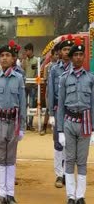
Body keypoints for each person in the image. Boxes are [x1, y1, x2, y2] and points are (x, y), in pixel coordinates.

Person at [0, 40, 26, 204]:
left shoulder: (18, 78)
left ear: (13, 59)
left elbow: (23, 103)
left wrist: (22, 126)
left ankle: (10, 193)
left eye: (7, 55)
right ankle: (1, 193)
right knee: (0, 157)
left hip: (14, 122)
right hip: (0, 122)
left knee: (11, 158)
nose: (4, 58)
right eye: (1, 55)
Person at [57, 37, 94, 204]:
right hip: (69, 122)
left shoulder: (90, 78)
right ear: (71, 58)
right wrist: (59, 131)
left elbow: (93, 104)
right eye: (76, 55)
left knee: (82, 160)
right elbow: (60, 105)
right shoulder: (64, 78)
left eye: (81, 54)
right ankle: (70, 195)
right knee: (70, 159)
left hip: (85, 122)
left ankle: (80, 196)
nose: (79, 57)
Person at [48, 35, 74, 188]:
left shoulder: (75, 69)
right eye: (64, 49)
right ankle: (59, 174)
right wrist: (51, 113)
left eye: (69, 49)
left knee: (69, 143)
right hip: (58, 110)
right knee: (58, 143)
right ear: (60, 52)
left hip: (71, 111)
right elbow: (50, 92)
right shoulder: (54, 69)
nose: (67, 52)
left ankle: (67, 173)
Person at [23, 43, 37, 131]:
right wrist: (24, 60)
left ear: (31, 50)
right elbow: (22, 69)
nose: (26, 52)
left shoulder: (36, 60)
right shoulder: (24, 60)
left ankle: (30, 124)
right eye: (25, 50)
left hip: (32, 86)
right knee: (24, 105)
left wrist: (35, 82)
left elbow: (37, 72)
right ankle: (24, 124)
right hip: (24, 86)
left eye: (27, 50)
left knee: (32, 105)